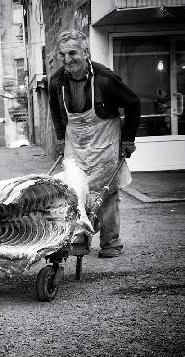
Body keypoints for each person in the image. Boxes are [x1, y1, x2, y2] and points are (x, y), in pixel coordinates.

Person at [48, 30, 141, 258]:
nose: (67, 59)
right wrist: (61, 139)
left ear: (85, 52)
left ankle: (111, 243)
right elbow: (55, 110)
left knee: (106, 194)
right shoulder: (56, 82)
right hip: (76, 144)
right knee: (74, 191)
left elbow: (133, 103)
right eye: (63, 54)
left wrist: (128, 139)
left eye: (72, 53)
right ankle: (80, 238)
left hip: (104, 142)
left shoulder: (105, 78)